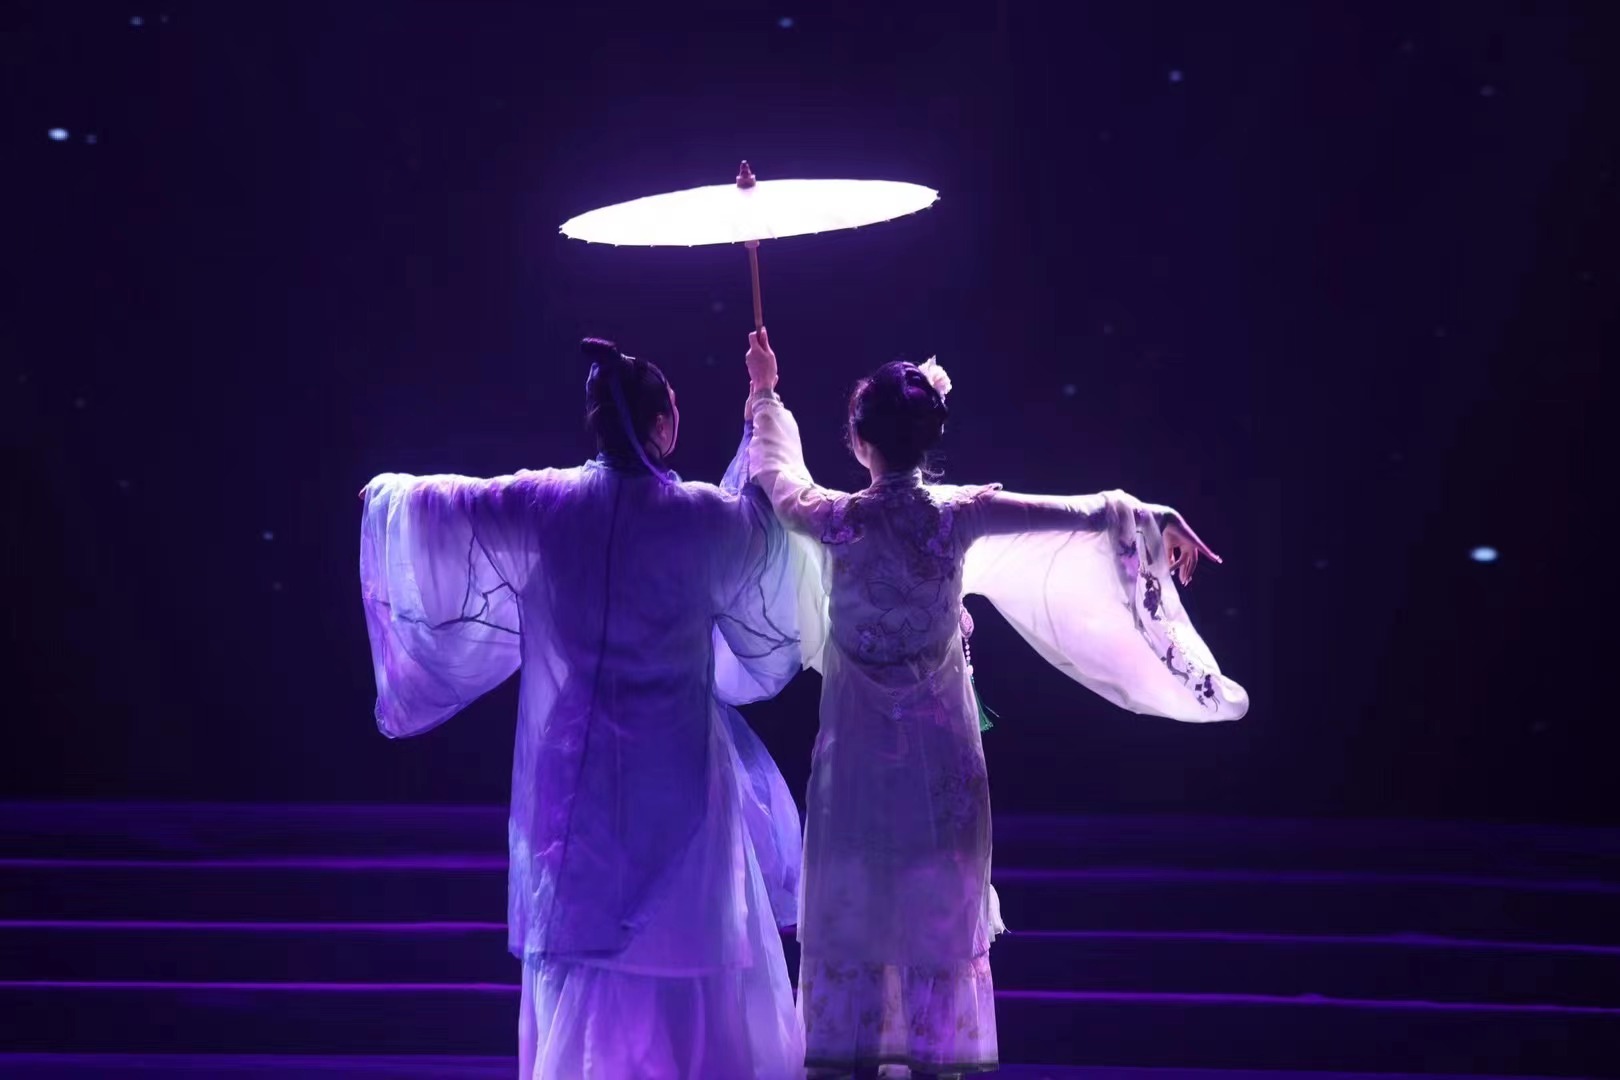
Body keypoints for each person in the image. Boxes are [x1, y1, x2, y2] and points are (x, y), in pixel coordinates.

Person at [742, 327, 1248, 1078]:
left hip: (856, 765)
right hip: (938, 758)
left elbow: (775, 472)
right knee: (936, 915)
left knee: (859, 908)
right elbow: (1083, 512)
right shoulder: (956, 515)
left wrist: (764, 390)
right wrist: (1154, 517)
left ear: (858, 440)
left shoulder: (833, 517)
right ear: (929, 436)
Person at [359, 338, 807, 1080]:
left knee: (590, 949)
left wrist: (386, 498)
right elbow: (768, 518)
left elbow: (444, 503)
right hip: (679, 762)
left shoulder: (547, 502)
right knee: (685, 942)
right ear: (662, 425)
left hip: (579, 764)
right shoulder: (701, 518)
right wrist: (764, 401)